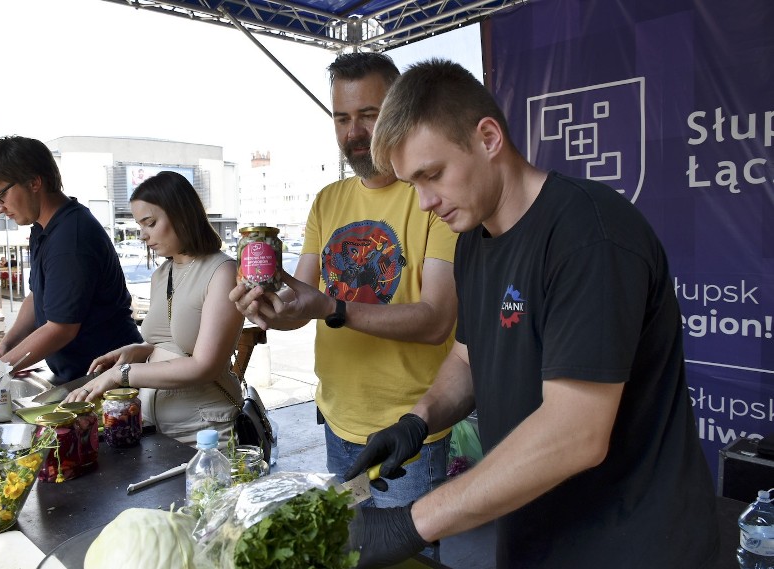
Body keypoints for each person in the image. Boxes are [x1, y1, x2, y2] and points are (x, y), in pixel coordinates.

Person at [344, 59, 720, 569]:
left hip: (632, 543)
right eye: (413, 184)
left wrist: (413, 522)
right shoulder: (474, 240)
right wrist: (417, 420)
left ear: (489, 138)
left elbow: (576, 433)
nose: (426, 201)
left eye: (433, 174)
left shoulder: (590, 236)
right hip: (534, 536)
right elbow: (470, 356)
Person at [229, 52, 458, 507]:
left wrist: (332, 309)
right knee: (351, 547)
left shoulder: (433, 196)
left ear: (399, 113)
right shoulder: (327, 200)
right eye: (341, 118)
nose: (353, 132)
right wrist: (267, 310)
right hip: (337, 419)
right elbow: (302, 301)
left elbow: (436, 321)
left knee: (401, 558)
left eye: (369, 115)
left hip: (411, 428)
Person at [65, 171, 244, 445]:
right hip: (152, 425)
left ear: (182, 214)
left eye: (149, 223)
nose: (142, 235)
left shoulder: (222, 271)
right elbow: (173, 343)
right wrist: (140, 351)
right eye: (140, 226)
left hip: (207, 430)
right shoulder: (163, 273)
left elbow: (204, 366)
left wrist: (121, 375)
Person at [0, 136, 142, 382]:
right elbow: (36, 295)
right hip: (81, 376)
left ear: (34, 182)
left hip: (110, 378)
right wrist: (7, 344)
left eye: (0, 195)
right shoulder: (43, 228)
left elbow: (61, 329)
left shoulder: (70, 238)